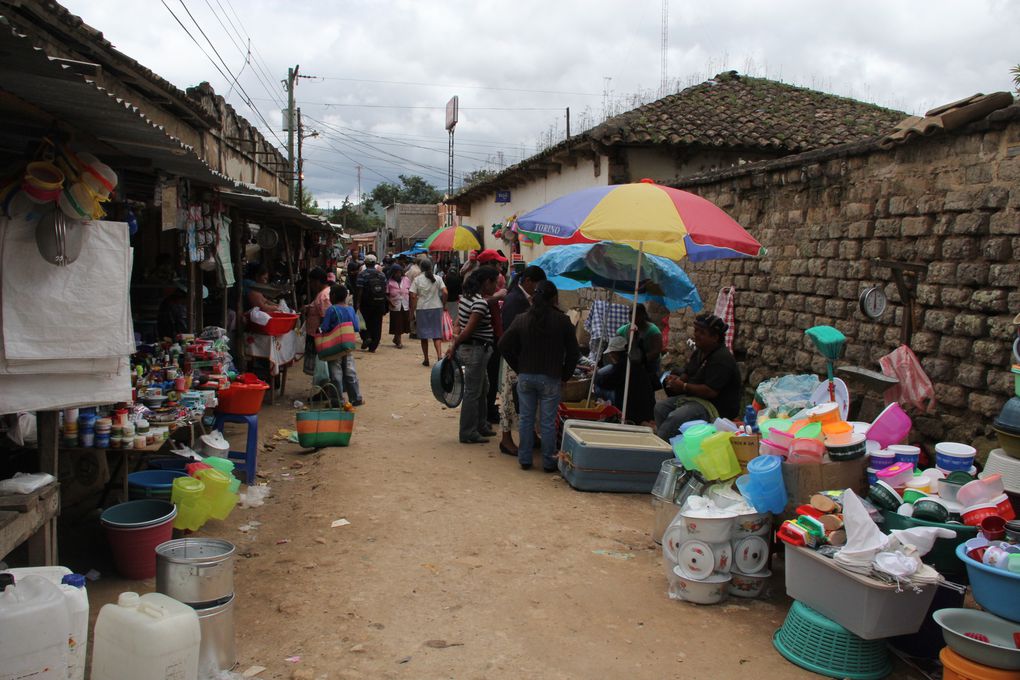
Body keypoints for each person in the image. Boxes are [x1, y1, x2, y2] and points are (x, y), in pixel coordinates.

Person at [499, 280, 580, 471]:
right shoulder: (563, 321)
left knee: (526, 418)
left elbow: (503, 345)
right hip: (551, 377)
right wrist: (565, 376)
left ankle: (525, 459)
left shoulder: (521, 319)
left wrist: (519, 366)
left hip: (526, 376)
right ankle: (549, 462)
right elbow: (574, 353)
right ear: (554, 298)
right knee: (547, 422)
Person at [654, 313, 743, 440]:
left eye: (702, 332)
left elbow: (710, 392)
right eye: (696, 331)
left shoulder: (722, 358)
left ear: (715, 337)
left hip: (715, 406)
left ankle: (662, 446)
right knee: (661, 407)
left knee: (676, 417)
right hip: (695, 399)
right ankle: (672, 444)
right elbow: (688, 373)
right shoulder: (700, 352)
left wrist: (684, 386)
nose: (696, 335)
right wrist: (675, 381)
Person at [496, 265, 547, 457]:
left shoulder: (524, 298)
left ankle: (532, 435)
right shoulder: (515, 300)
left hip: (523, 358)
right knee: (509, 400)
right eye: (537, 285)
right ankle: (506, 439)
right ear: (528, 282)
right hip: (513, 359)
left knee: (526, 401)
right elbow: (510, 334)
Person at [448, 267, 499, 444]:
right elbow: (467, 330)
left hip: (476, 350)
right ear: (487, 282)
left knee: (483, 387)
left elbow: (458, 324)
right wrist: (454, 345)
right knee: (473, 391)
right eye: (494, 282)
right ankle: (468, 431)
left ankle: (481, 425)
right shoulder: (479, 303)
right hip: (476, 350)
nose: (496, 287)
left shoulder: (467, 299)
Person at [593, 335, 656, 424]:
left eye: (611, 353)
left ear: (614, 353)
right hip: (648, 410)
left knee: (599, 384)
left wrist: (595, 375)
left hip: (632, 413)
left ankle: (605, 405)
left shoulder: (621, 367)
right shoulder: (636, 363)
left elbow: (604, 382)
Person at [320, 284, 363, 406]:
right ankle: (355, 397)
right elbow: (356, 327)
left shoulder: (331, 310)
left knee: (335, 373)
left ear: (333, 296)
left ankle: (337, 400)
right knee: (350, 371)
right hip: (348, 345)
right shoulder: (350, 309)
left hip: (334, 346)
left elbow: (325, 327)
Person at [409, 258, 447, 366]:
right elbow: (445, 292)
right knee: (436, 334)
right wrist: (443, 304)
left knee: (424, 335)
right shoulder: (438, 278)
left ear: (421, 268)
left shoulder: (417, 280)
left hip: (422, 309)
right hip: (436, 307)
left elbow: (413, 296)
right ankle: (439, 356)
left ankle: (426, 359)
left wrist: (412, 310)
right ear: (431, 267)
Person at [616, 303, 663, 380]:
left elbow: (656, 351)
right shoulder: (621, 331)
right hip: (629, 363)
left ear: (643, 315)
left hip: (649, 364)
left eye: (636, 313)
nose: (633, 316)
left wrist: (640, 360)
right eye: (630, 313)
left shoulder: (653, 331)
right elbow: (615, 349)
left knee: (648, 386)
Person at [355, 254, 388, 352]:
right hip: (379, 303)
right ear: (375, 263)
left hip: (366, 303)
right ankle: (373, 346)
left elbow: (359, 290)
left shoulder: (362, 274)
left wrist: (358, 303)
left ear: (365, 263)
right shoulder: (382, 275)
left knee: (363, 322)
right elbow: (384, 290)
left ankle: (366, 337)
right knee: (377, 324)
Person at [386, 264, 411, 348]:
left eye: (400, 272)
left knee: (403, 323)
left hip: (405, 304)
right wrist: (390, 302)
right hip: (395, 305)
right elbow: (386, 294)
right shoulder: (389, 282)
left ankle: (396, 338)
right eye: (396, 273)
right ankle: (399, 341)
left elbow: (410, 292)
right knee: (397, 323)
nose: (398, 274)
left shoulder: (406, 280)